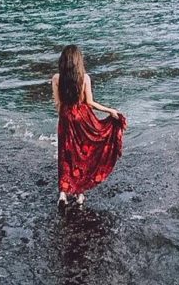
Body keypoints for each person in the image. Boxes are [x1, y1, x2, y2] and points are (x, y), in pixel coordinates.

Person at [52, 44, 126, 209]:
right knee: (82, 154)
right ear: (78, 61)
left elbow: (58, 104)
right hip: (82, 118)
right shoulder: (84, 78)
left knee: (65, 155)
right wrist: (110, 110)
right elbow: (90, 103)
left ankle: (63, 194)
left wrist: (65, 116)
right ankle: (79, 195)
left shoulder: (56, 78)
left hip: (65, 118)